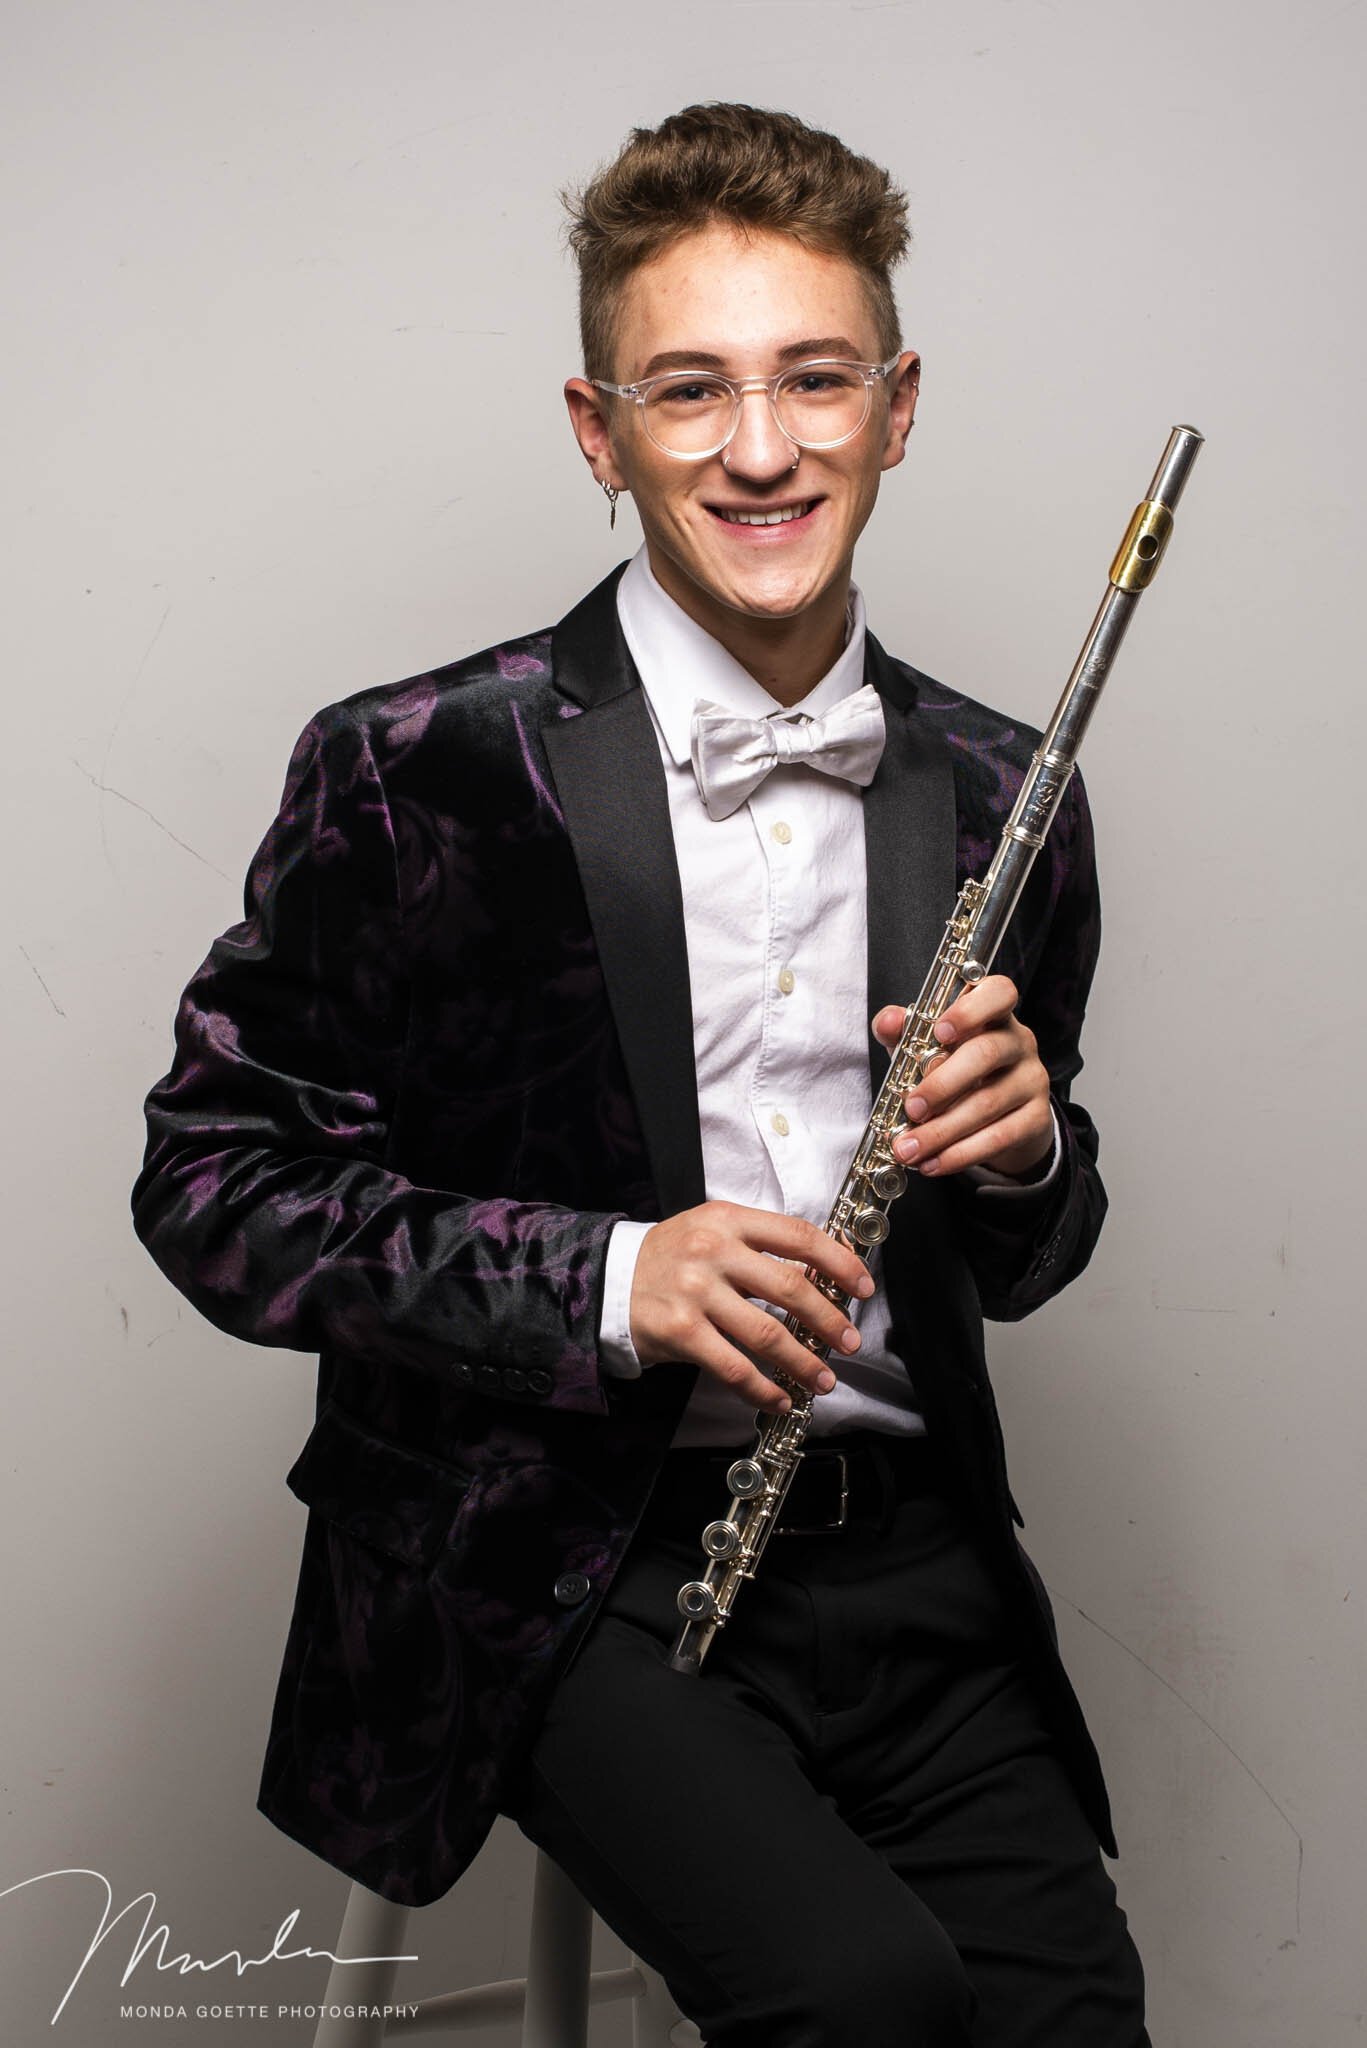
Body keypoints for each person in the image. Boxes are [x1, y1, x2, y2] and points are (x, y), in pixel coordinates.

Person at [132, 102, 1147, 2047]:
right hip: (550, 1566)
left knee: (1066, 2024)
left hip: (916, 1564)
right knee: (863, 2002)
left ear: (897, 403)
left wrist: (1021, 1160)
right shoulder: (422, 766)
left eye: (813, 380)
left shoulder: (1010, 790)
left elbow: (1026, 1252)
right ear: (599, 430)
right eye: (689, 391)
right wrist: (615, 1281)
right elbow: (213, 1188)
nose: (761, 449)